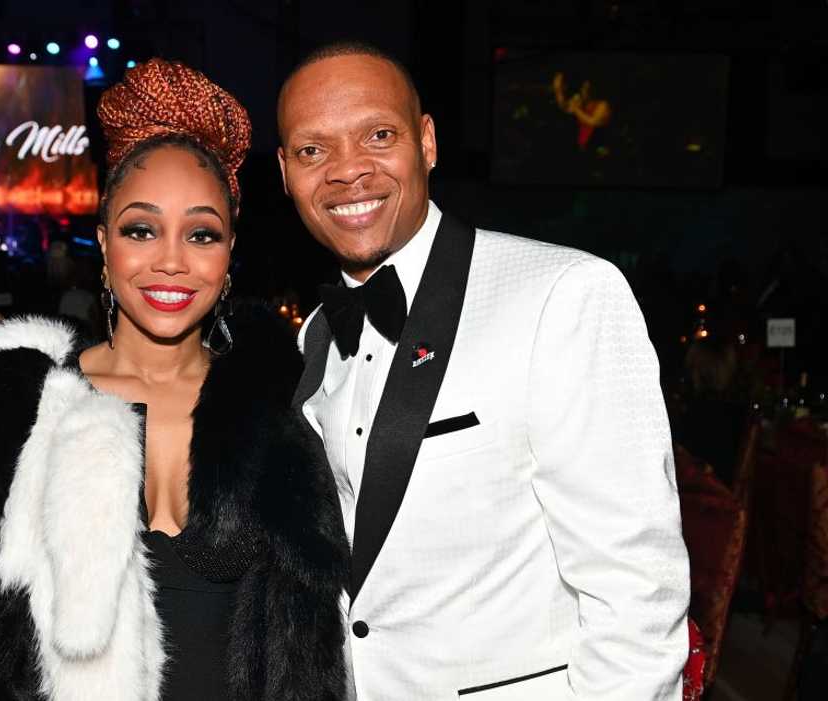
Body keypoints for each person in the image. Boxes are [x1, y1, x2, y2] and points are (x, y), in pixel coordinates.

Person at [0, 58, 348, 701]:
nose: (170, 260)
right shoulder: (13, 410)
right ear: (104, 245)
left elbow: (311, 648)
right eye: (141, 229)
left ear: (228, 260)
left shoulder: (283, 412)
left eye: (201, 233)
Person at [278, 42, 691, 699]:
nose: (346, 171)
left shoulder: (562, 294)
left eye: (377, 135)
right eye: (312, 150)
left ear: (427, 141)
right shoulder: (316, 338)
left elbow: (637, 587)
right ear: (284, 171)